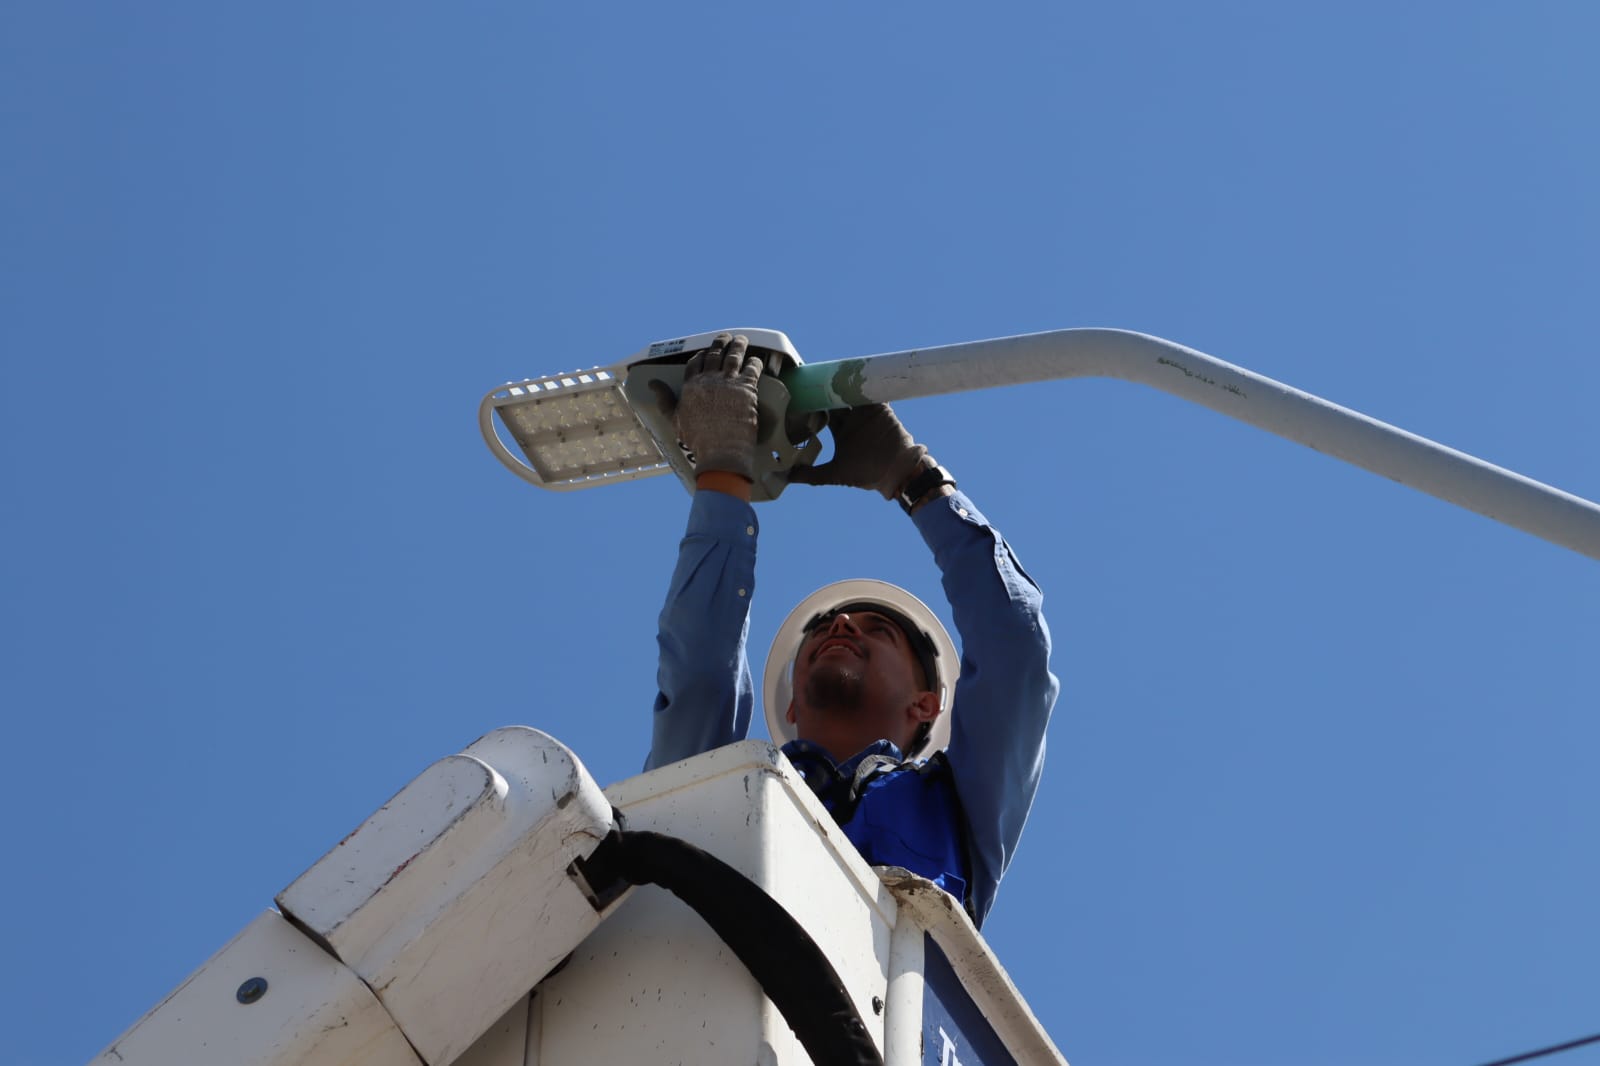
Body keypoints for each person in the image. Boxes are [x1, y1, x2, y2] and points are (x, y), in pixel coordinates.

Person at [647, 333, 1058, 929]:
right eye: (826, 628)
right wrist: (722, 475)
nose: (840, 623)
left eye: (878, 630)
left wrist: (912, 477)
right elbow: (701, 677)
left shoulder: (957, 812)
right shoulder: (729, 785)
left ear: (926, 704)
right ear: (791, 703)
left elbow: (1013, 648)